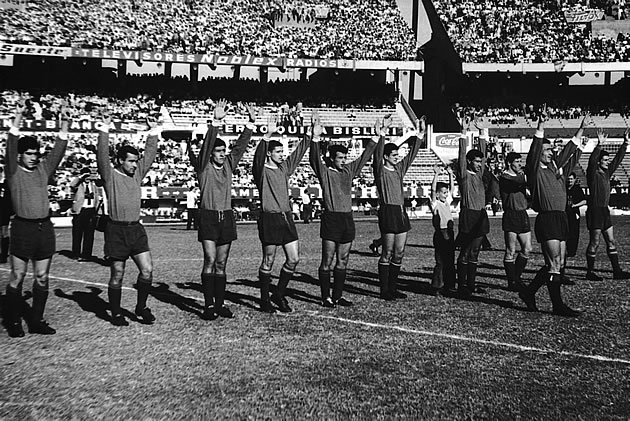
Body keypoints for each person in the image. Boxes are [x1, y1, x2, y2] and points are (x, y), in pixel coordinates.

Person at [4, 103, 70, 337]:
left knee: (42, 277)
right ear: (20, 156)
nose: (34, 158)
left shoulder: (43, 171)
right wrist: (19, 116)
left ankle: (36, 320)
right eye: (29, 154)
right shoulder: (12, 171)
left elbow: (58, 152)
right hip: (23, 228)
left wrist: (64, 123)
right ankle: (13, 321)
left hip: (45, 229)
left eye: (36, 154)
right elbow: (10, 147)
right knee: (17, 276)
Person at [187, 99, 255, 320]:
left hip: (226, 216)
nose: (222, 154)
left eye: (223, 151)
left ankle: (220, 303)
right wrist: (215, 123)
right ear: (211, 153)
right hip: (207, 216)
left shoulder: (228, 164)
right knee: (209, 259)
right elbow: (205, 148)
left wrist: (250, 125)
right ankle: (208, 305)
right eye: (217, 151)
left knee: (222, 263)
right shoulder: (203, 167)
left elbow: (240, 148)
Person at [519, 107, 586, 317]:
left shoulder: (556, 169)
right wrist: (541, 127)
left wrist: (580, 132)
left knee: (558, 263)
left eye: (550, 151)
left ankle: (529, 292)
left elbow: (569, 154)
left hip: (561, 218)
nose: (550, 153)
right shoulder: (534, 169)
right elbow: (536, 149)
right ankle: (558, 306)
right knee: (555, 263)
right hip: (547, 219)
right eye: (547, 150)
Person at [97, 114, 161, 326]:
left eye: (136, 161)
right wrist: (104, 129)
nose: (135, 165)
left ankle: (141, 307)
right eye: (131, 161)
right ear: (120, 161)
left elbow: (150, 155)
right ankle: (116, 312)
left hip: (136, 230)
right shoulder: (110, 176)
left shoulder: (137, 174)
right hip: (116, 230)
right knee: (117, 273)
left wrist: (153, 132)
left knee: (147, 270)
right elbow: (101, 156)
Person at [310, 111, 378, 307]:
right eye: (339, 157)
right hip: (331, 218)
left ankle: (338, 295)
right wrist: (315, 137)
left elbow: (365, 156)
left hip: (347, 219)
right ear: (331, 158)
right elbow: (315, 158)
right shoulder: (324, 171)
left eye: (344, 157)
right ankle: (326, 297)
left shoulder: (349, 170)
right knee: (328, 260)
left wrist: (375, 136)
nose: (343, 160)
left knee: (344, 259)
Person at [253, 116, 311, 313]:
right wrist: (267, 135)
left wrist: (310, 135)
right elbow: (258, 156)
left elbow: (297, 154)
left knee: (293, 259)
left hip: (287, 218)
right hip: (269, 218)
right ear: (269, 153)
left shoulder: (284, 168)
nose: (281, 155)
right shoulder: (261, 170)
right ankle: (264, 300)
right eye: (278, 152)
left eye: (282, 152)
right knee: (268, 260)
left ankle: (278, 293)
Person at [373, 116, 423, 300]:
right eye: (394, 155)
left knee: (399, 252)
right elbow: (377, 155)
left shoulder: (400, 169)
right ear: (386, 157)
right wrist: (383, 133)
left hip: (401, 212)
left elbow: (411, 155)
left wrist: (419, 135)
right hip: (388, 211)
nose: (397, 157)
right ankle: (384, 290)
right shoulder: (380, 170)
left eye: (397, 155)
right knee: (387, 252)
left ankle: (393, 288)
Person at [584, 128, 630, 281]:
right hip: (595, 211)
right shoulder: (592, 173)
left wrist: (625, 144)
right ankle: (590, 272)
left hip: (604, 211)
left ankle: (617, 271)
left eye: (607, 160)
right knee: (595, 242)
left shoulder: (607, 172)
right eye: (604, 160)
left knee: (611, 241)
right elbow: (591, 162)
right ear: (598, 161)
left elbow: (617, 159)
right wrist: (599, 145)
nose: (607, 162)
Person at [455, 118, 489, 297]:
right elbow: (461, 155)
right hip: (468, 214)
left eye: (479, 162)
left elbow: (483, 154)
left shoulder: (479, 173)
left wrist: (482, 133)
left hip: (481, 215)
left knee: (475, 251)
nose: (478, 164)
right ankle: (461, 286)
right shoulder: (464, 175)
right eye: (476, 161)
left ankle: (471, 284)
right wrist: (463, 133)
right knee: (466, 251)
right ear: (469, 162)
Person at [499, 152, 532, 291]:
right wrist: (526, 180)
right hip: (511, 214)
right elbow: (514, 185)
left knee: (527, 249)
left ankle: (516, 278)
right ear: (509, 163)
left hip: (522, 214)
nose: (519, 164)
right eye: (517, 161)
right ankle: (512, 282)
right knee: (510, 250)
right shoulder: (505, 177)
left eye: (520, 161)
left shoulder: (521, 176)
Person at [429, 164, 455, 296]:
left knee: (450, 260)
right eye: (443, 193)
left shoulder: (446, 202)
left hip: (450, 232)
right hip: (441, 232)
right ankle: (437, 285)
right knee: (440, 261)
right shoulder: (435, 203)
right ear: (438, 194)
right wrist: (436, 174)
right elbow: (433, 190)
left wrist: (450, 175)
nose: (446, 194)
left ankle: (449, 284)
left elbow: (452, 189)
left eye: (446, 192)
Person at [69, 166, 101, 261]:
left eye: (89, 175)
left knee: (89, 234)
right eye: (86, 176)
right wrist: (80, 177)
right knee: (77, 233)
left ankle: (87, 254)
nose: (87, 178)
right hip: (80, 211)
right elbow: (72, 185)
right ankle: (76, 253)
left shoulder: (93, 185)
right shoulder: (79, 185)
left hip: (91, 211)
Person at [566, 172, 586, 259]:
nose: (570, 181)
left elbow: (584, 201)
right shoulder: (564, 188)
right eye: (568, 179)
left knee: (574, 232)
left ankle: (572, 251)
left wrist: (575, 205)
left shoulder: (577, 189)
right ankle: (565, 249)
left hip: (574, 213)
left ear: (574, 180)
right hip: (564, 213)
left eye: (571, 179)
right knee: (565, 232)